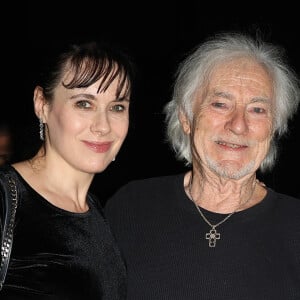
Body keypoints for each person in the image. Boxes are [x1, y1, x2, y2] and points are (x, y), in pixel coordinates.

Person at [104, 31, 300, 299]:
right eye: (220, 104)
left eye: (257, 109)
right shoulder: (130, 207)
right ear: (186, 118)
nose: (238, 125)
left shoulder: (295, 225)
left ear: (274, 127)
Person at [0, 40, 135, 299]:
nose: (103, 126)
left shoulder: (98, 212)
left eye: (117, 107)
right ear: (42, 105)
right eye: (84, 104)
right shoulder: (6, 199)